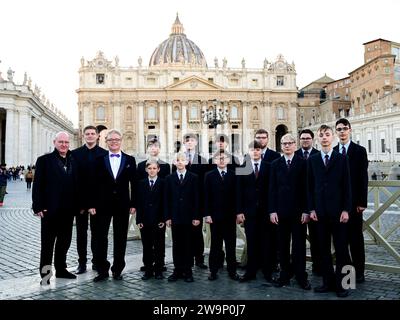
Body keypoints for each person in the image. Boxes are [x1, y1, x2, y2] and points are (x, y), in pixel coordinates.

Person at [308, 125, 352, 298]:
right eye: (322, 135)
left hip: (339, 212)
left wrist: (346, 209)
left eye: (327, 134)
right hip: (319, 212)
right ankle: (327, 282)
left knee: (342, 249)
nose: (325, 137)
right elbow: (309, 187)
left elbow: (347, 186)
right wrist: (311, 208)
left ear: (332, 137)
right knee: (323, 250)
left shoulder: (342, 159)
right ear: (318, 138)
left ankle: (345, 284)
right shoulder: (313, 159)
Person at [88, 129, 136, 282]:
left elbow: (134, 184)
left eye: (116, 139)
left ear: (121, 140)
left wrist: (134, 203)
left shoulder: (130, 160)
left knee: (120, 238)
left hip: (122, 204)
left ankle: (117, 269)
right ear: (106, 142)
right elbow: (92, 184)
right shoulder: (98, 160)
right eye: (110, 140)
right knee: (101, 237)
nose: (114, 142)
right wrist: (91, 204)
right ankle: (102, 270)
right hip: (102, 204)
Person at [32, 132, 79, 285]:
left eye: (66, 142)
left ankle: (61, 269)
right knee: (47, 245)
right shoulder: (44, 160)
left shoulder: (73, 160)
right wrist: (37, 206)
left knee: (64, 242)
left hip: (68, 210)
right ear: (55, 142)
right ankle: (45, 275)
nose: (64, 144)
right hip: (49, 210)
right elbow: (37, 185)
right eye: (61, 142)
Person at [269, 134, 311, 290]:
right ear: (281, 146)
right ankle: (284, 275)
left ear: (295, 145)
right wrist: (272, 211)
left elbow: (307, 189)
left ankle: (301, 276)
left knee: (299, 246)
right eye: (283, 143)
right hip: (280, 212)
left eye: (289, 143)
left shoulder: (304, 163)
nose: (286, 146)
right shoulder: (275, 164)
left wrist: (307, 211)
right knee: (282, 246)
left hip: (299, 213)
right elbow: (271, 190)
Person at [334, 118, 368, 284]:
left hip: (354, 204)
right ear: (336, 132)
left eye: (344, 128)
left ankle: (359, 272)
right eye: (339, 129)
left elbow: (363, 178)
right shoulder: (332, 151)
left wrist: (362, 202)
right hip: (337, 205)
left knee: (356, 240)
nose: (342, 131)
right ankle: (348, 274)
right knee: (340, 241)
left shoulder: (359, 151)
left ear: (350, 130)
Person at [71, 125, 108, 274]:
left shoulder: (104, 154)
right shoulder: (74, 154)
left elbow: (104, 182)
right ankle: (82, 263)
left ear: (98, 136)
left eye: (93, 133)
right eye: (88, 134)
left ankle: (96, 261)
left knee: (96, 233)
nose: (90, 136)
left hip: (97, 202)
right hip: (80, 201)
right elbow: (73, 180)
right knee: (81, 234)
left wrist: (96, 202)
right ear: (84, 136)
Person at [236, 140, 272, 282]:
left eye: (258, 150)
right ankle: (250, 272)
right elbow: (238, 191)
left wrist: (272, 210)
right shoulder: (242, 167)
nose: (255, 152)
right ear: (249, 151)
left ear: (261, 151)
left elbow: (272, 190)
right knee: (251, 242)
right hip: (249, 212)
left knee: (266, 242)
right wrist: (239, 211)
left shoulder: (269, 167)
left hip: (265, 211)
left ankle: (267, 272)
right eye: (253, 150)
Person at [165, 152, 200, 282]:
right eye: (177, 160)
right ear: (174, 162)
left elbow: (197, 198)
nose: (180, 162)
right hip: (175, 216)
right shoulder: (169, 178)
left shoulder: (194, 177)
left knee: (188, 243)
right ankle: (177, 269)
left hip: (189, 216)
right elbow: (167, 199)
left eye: (182, 160)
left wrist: (196, 216)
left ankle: (188, 270)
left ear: (187, 162)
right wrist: (167, 217)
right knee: (177, 243)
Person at [204, 151, 240, 281]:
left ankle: (232, 271)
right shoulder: (209, 175)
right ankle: (213, 270)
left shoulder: (233, 175)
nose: (221, 160)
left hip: (230, 216)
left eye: (224, 158)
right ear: (214, 161)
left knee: (231, 245)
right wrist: (207, 214)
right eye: (218, 158)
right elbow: (206, 197)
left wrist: (238, 213)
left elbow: (237, 196)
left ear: (228, 160)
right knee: (215, 245)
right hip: (214, 216)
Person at [136, 138, 170, 272]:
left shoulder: (166, 166)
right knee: (147, 244)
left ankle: (159, 265)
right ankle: (148, 265)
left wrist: (164, 216)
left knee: (159, 243)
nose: (153, 148)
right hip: (145, 213)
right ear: (147, 149)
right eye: (151, 146)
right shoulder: (140, 166)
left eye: (156, 146)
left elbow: (166, 194)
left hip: (159, 213)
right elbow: (139, 193)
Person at [176, 133, 208, 269]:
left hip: (196, 203)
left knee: (197, 232)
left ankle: (199, 258)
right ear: (184, 143)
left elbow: (205, 185)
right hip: (181, 204)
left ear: (196, 143)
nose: (189, 143)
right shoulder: (178, 159)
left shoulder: (203, 161)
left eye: (192, 140)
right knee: (182, 233)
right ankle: (184, 258)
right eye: (187, 140)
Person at [294, 128, 321, 275]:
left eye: (307, 138)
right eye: (303, 138)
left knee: (317, 239)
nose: (305, 140)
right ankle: (299, 269)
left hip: (315, 204)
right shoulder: (294, 155)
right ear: (299, 140)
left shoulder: (319, 155)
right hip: (298, 205)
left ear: (312, 139)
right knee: (298, 240)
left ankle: (318, 267)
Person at [136, 158, 166, 280]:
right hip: (145, 220)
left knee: (159, 245)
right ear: (146, 170)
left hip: (159, 220)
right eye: (150, 168)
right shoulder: (141, 183)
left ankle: (158, 269)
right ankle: (148, 269)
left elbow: (165, 202)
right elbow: (139, 203)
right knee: (147, 246)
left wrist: (163, 219)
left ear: (158, 169)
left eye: (154, 168)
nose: (152, 170)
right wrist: (139, 220)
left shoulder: (163, 183)